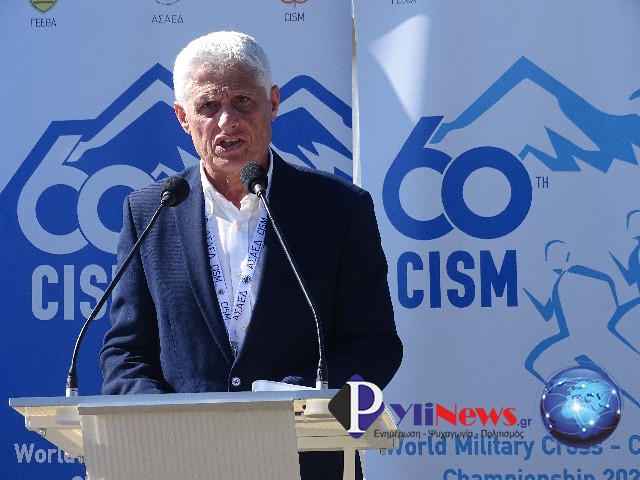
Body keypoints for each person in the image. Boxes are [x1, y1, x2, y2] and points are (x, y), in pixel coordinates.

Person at [100, 31, 402, 480]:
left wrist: (297, 402)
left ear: (273, 103)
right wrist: (164, 421)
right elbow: (125, 352)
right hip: (180, 463)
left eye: (243, 101)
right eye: (208, 106)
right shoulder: (149, 212)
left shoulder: (340, 209)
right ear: (183, 117)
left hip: (308, 460)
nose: (227, 121)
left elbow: (375, 346)